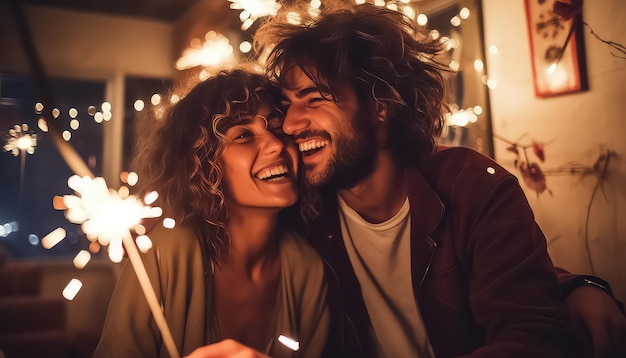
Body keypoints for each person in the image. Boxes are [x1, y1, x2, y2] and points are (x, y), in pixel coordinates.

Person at [186, 3, 626, 358]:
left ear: (381, 105)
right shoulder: (304, 212)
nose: (292, 123)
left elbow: (532, 336)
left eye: (314, 99)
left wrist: (573, 287)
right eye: (288, 104)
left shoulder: (474, 185)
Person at [93, 69, 329, 358]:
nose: (276, 144)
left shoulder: (306, 268)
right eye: (243, 135)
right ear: (204, 165)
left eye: (277, 128)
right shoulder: (164, 254)